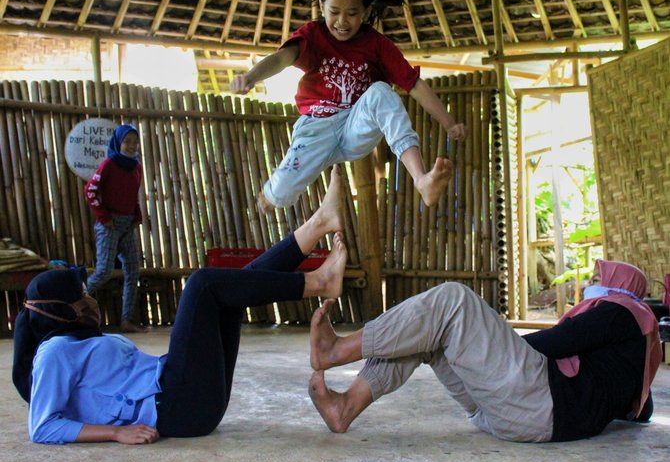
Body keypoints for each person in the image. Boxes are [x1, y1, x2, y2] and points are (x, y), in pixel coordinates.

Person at [13, 168, 348, 445]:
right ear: (62, 310)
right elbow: (42, 426)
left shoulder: (77, 343)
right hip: (177, 407)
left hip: (185, 398)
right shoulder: (53, 352)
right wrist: (115, 432)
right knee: (202, 285)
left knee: (230, 293)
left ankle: (318, 224)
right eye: (81, 294)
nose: (90, 298)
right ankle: (318, 282)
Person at [307, 259, 662, 442]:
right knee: (425, 333)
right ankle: (345, 407)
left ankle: (336, 350)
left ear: (618, 287)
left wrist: (493, 346)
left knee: (451, 302)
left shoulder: (622, 311)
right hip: (515, 416)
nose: (591, 286)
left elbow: (557, 342)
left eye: (600, 279)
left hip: (536, 404)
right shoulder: (638, 341)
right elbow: (642, 410)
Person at [230, 0, 467, 212]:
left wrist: (449, 122)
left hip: (356, 127)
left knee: (381, 92)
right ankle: (270, 196)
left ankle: (421, 180)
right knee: (275, 196)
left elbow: (414, 84)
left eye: (352, 14)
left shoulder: (378, 45)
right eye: (334, 12)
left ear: (364, 12)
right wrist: (250, 77)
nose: (342, 22)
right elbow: (282, 58)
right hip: (317, 127)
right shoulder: (313, 35)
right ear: (322, 7)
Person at [84, 123, 144, 333]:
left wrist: (137, 216)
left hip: (127, 225)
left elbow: (132, 195)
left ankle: (126, 321)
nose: (131, 146)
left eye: (135, 142)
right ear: (118, 143)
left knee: (133, 271)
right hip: (108, 225)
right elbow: (90, 191)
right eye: (127, 141)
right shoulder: (109, 164)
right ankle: (72, 304)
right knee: (104, 271)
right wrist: (104, 216)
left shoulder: (136, 167)